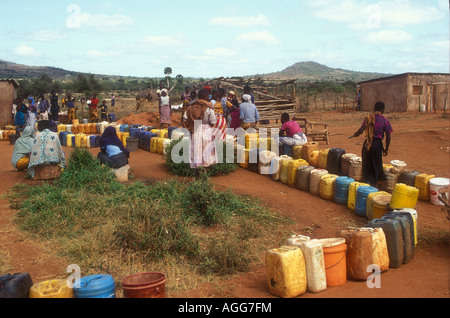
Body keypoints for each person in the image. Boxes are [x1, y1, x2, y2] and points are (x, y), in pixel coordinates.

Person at [349, 101, 393, 187]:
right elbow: (388, 135)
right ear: (382, 109)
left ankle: (367, 182)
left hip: (367, 144)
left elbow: (361, 130)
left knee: (367, 162)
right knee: (376, 163)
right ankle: (374, 184)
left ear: (374, 108)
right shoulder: (384, 120)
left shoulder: (368, 118)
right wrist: (386, 148)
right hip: (377, 144)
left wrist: (356, 134)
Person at [183, 89, 217, 170]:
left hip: (195, 130)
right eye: (208, 96)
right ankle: (205, 174)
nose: (209, 98)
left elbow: (184, 119)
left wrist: (190, 126)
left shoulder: (191, 107)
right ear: (205, 97)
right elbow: (212, 121)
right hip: (206, 130)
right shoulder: (209, 108)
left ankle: (197, 174)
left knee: (196, 150)